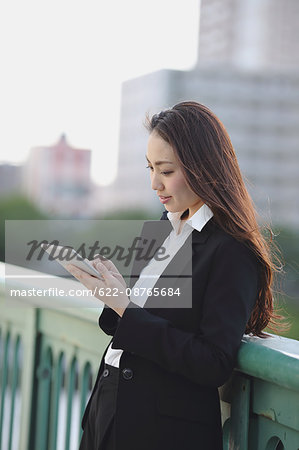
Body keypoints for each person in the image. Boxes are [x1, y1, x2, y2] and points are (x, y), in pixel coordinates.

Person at [67, 101, 283, 450]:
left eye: (166, 171)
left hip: (159, 432)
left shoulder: (231, 250)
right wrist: (116, 297)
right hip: (109, 410)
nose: (155, 183)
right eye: (150, 168)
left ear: (203, 167)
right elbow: (140, 324)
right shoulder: (158, 232)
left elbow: (213, 362)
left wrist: (127, 309)